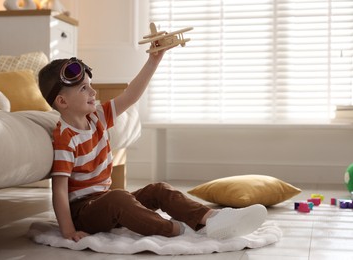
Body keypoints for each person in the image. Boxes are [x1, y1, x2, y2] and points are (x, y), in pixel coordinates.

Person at [38, 49, 267, 242]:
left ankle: (211, 219)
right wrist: (68, 231)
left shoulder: (97, 117)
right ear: (62, 101)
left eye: (90, 85)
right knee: (119, 198)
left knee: (158, 189)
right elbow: (59, 188)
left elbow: (131, 95)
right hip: (84, 212)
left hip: (105, 200)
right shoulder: (65, 138)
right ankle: (178, 231)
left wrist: (153, 60)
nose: (93, 92)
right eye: (83, 89)